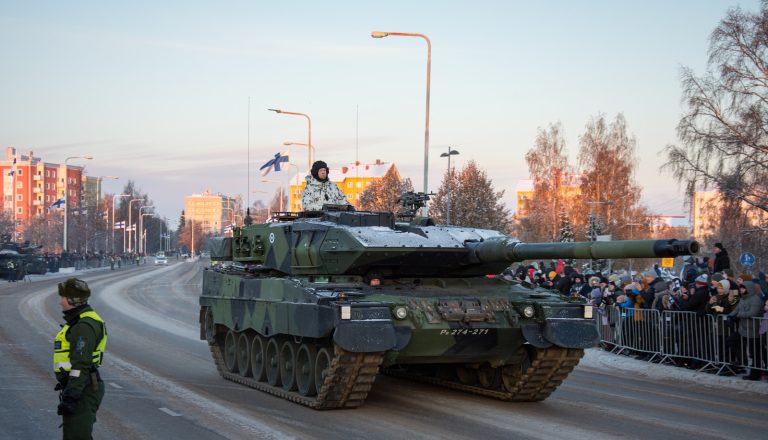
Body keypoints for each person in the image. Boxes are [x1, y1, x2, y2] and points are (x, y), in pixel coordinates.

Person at [54, 278, 107, 439]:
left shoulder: (83, 326)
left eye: (62, 297)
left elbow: (80, 364)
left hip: (83, 389)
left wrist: (72, 395)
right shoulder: (80, 321)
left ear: (72, 300)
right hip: (81, 387)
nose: (60, 302)